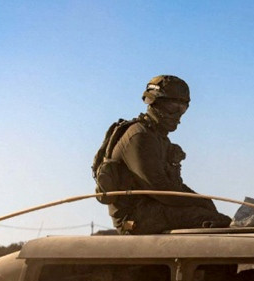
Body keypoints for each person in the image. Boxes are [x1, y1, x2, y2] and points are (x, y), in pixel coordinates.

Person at [92, 75, 231, 235]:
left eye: (183, 108)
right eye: (173, 107)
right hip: (135, 217)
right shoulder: (140, 136)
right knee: (217, 222)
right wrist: (201, 202)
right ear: (154, 103)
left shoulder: (159, 138)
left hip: (153, 210)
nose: (178, 115)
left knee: (212, 214)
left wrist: (204, 202)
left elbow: (173, 188)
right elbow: (159, 188)